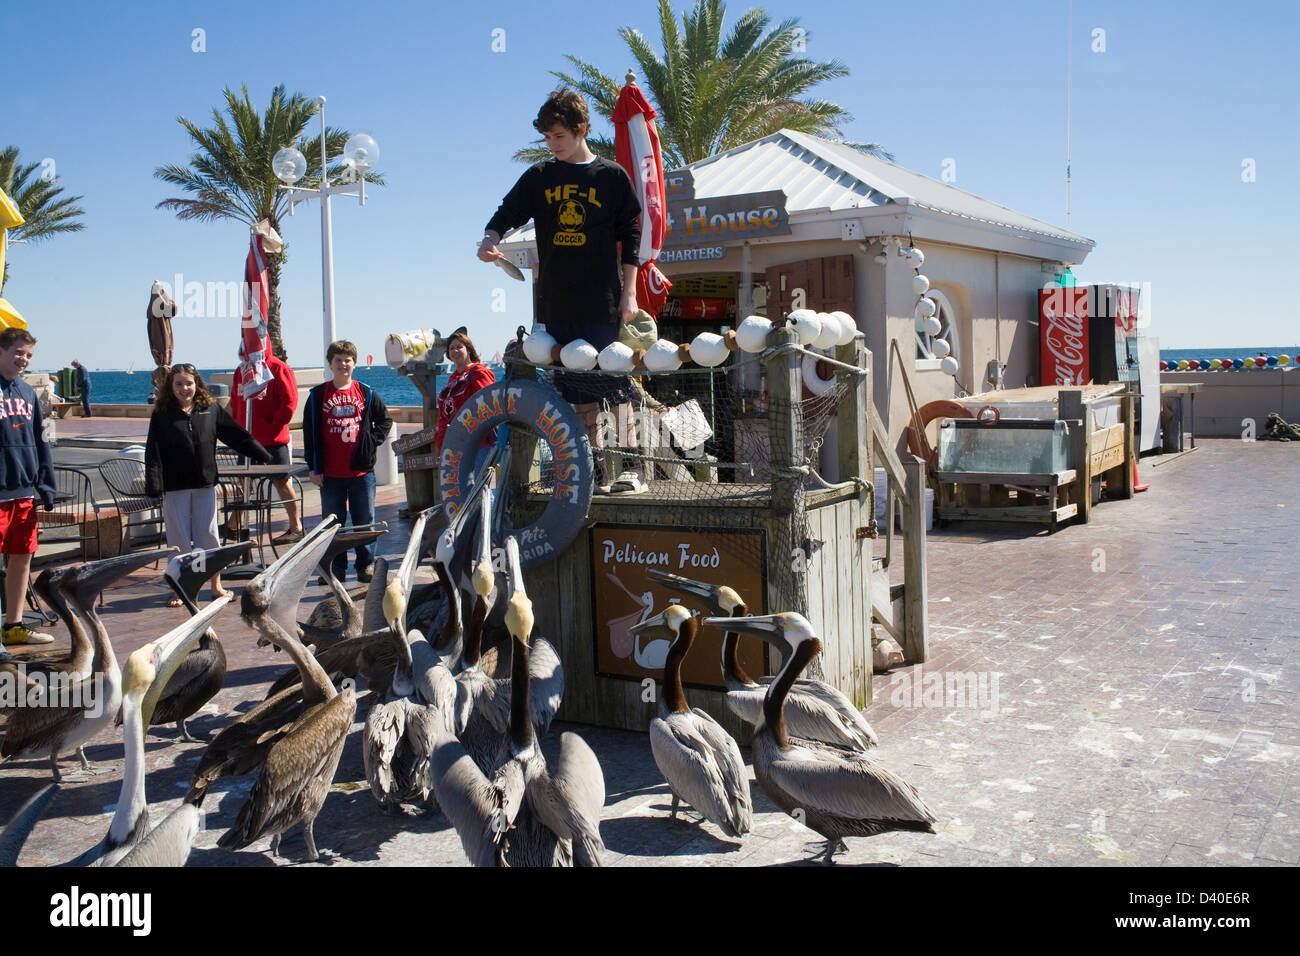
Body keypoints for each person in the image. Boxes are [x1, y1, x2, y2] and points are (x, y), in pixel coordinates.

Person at [477, 87, 642, 489]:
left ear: (582, 129)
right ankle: (595, 472)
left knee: (615, 384)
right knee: (577, 393)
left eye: (560, 137)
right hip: (556, 304)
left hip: (601, 300)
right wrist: (489, 238)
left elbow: (632, 235)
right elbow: (507, 211)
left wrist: (629, 292)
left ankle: (635, 469)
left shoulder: (610, 177)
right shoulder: (540, 177)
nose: (553, 145)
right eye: (548, 138)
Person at [145, 364, 271, 605]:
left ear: (197, 385)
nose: (184, 388)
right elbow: (153, 452)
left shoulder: (210, 409)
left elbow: (235, 435)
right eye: (179, 384)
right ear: (171, 387)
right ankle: (180, 588)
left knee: (209, 536)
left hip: (204, 484)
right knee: (178, 541)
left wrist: (261, 453)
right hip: (174, 487)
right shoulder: (162, 414)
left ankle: (216, 585)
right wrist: (154, 484)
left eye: (189, 383)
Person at [302, 340, 392, 584]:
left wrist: (371, 441)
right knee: (333, 524)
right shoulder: (318, 395)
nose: (343, 364)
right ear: (331, 364)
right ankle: (335, 567)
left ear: (354, 363)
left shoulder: (366, 392)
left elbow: (385, 420)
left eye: (347, 360)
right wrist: (313, 468)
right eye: (338, 360)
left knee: (365, 522)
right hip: (330, 475)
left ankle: (366, 565)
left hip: (361, 474)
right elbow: (310, 434)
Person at [0, 328, 57, 653]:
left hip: (22, 493)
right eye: (18, 352)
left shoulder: (26, 393)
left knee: (22, 560)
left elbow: (40, 441)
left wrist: (45, 483)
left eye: (28, 355)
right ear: (2, 350)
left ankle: (14, 626)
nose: (23, 359)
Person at [228, 350, 305, 544]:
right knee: (244, 484)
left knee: (281, 482)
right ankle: (232, 526)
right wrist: (238, 429)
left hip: (274, 440)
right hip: (247, 440)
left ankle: (296, 527)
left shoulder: (279, 368)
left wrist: (273, 427)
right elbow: (236, 401)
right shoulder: (242, 369)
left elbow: (289, 402)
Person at [433, 328, 496, 452]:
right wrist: (440, 443)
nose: (455, 350)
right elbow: (443, 415)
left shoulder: (478, 372)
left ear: (469, 350)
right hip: (453, 447)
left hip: (476, 446)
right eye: (451, 348)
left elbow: (489, 405)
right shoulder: (453, 378)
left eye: (459, 347)